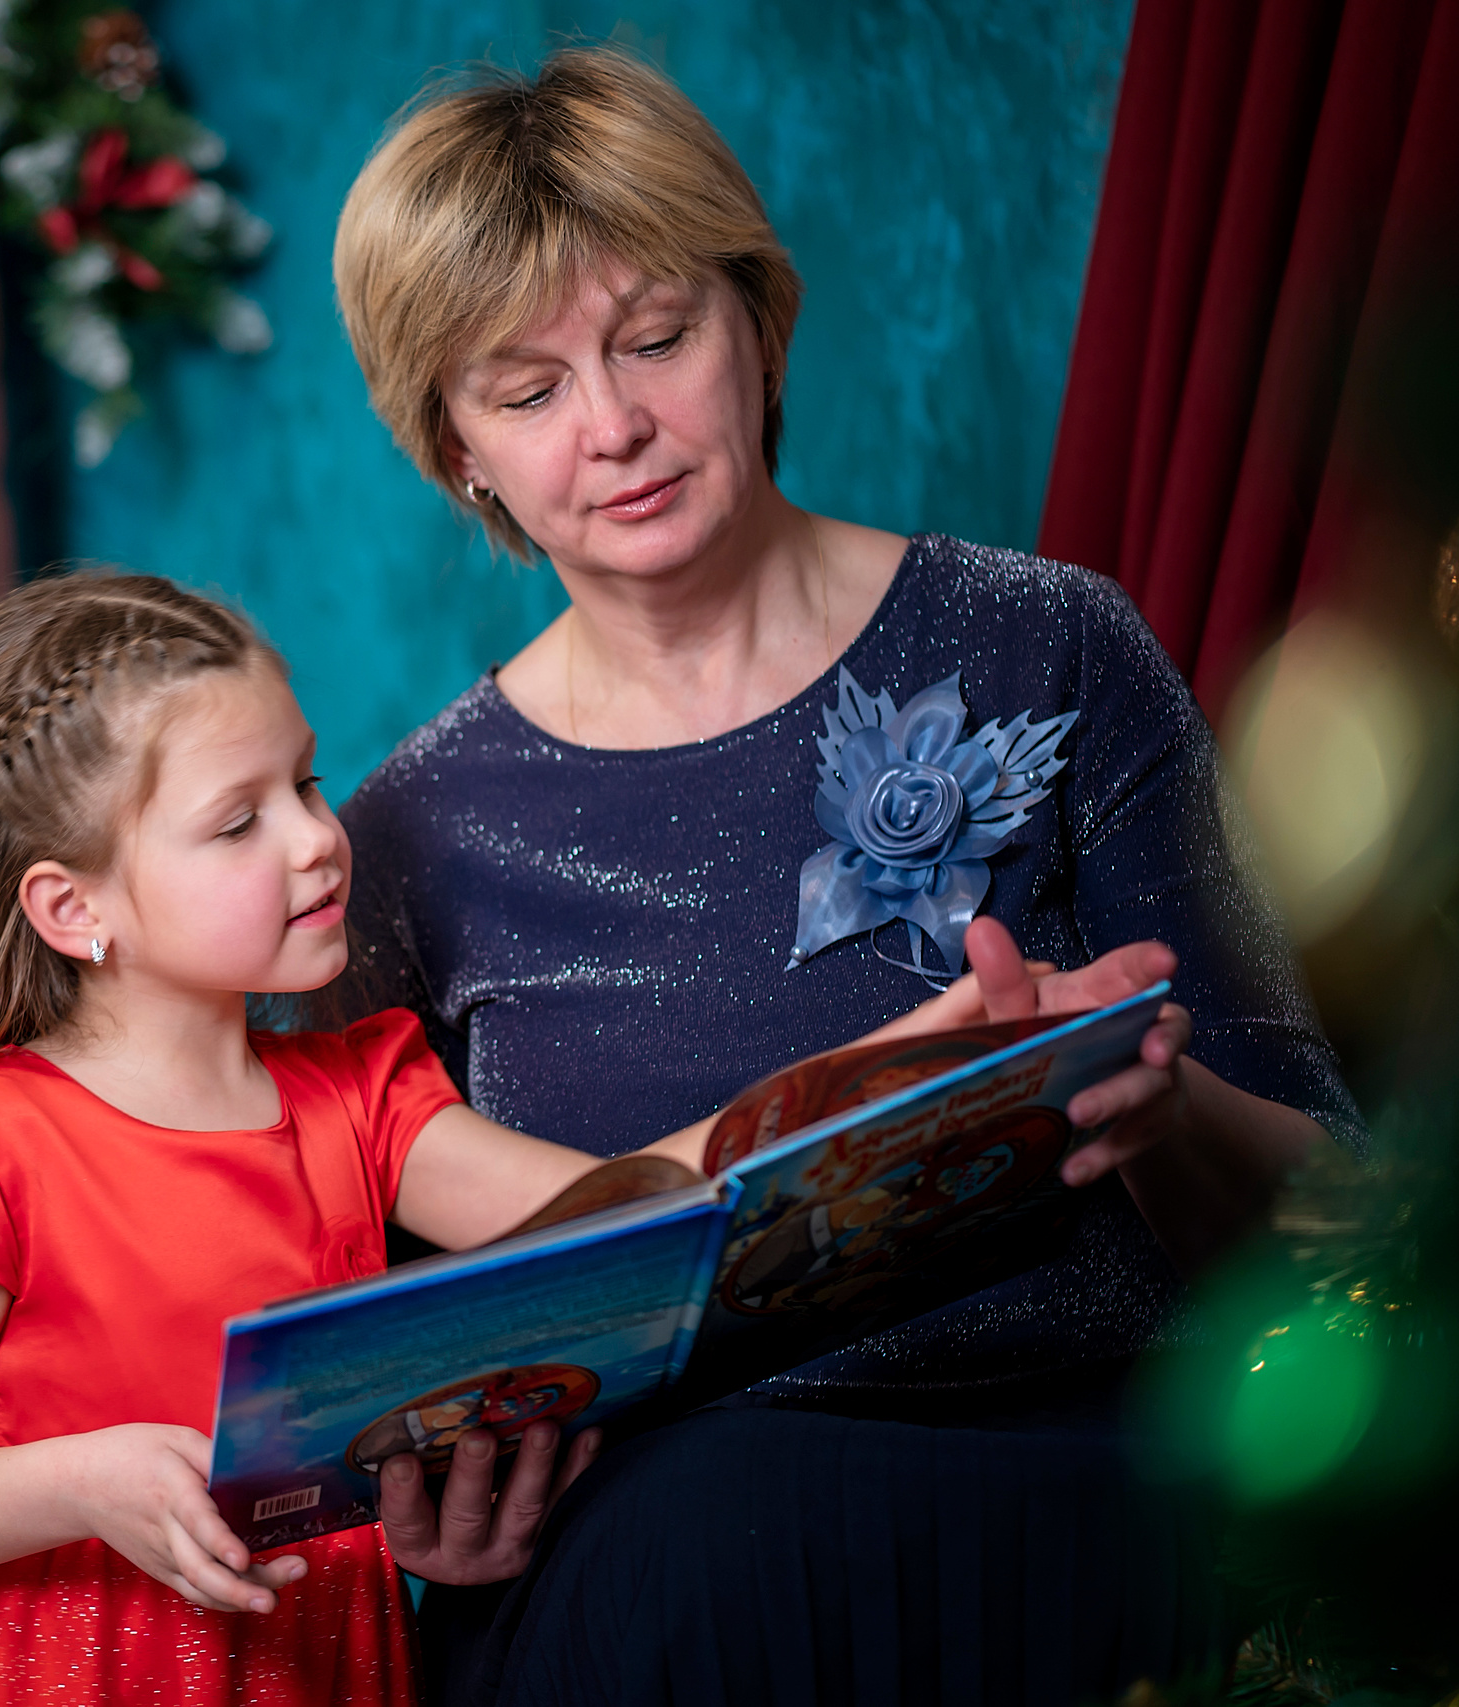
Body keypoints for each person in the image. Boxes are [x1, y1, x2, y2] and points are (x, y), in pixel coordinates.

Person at [327, 45, 1361, 1706]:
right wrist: (427, 1517)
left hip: (1096, 1502)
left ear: (760, 322)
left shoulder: (1055, 640)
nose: (614, 427)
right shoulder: (402, 840)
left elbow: (1344, 1218)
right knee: (690, 1550)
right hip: (671, 1588)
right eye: (524, 393)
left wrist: (1159, 1099)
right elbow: (369, 1392)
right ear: (457, 449)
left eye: (656, 337)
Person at [0, 573, 1179, 1705]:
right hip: (76, 1674)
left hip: (328, 1668)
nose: (317, 840)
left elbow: (648, 1201)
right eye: (238, 822)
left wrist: (934, 1042)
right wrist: (85, 1480)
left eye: (306, 782)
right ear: (73, 911)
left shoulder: (360, 1098)